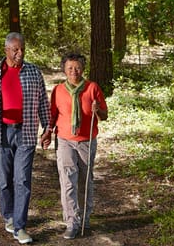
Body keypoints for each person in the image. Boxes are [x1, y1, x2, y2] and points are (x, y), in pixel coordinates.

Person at [0, 32, 50, 244]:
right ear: (6, 50)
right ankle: (8, 215)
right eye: (15, 50)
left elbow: (43, 102)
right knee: (4, 181)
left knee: (23, 179)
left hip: (25, 132)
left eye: (22, 49)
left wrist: (47, 127)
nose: (19, 53)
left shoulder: (34, 72)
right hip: (0, 132)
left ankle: (20, 227)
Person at [41, 52, 108, 240]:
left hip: (86, 140)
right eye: (70, 68)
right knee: (68, 181)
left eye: (77, 67)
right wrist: (47, 132)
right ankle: (71, 222)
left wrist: (98, 110)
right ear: (64, 70)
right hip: (64, 140)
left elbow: (105, 115)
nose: (74, 71)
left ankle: (85, 218)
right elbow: (52, 116)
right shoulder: (58, 90)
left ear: (83, 69)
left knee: (85, 181)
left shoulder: (92, 88)